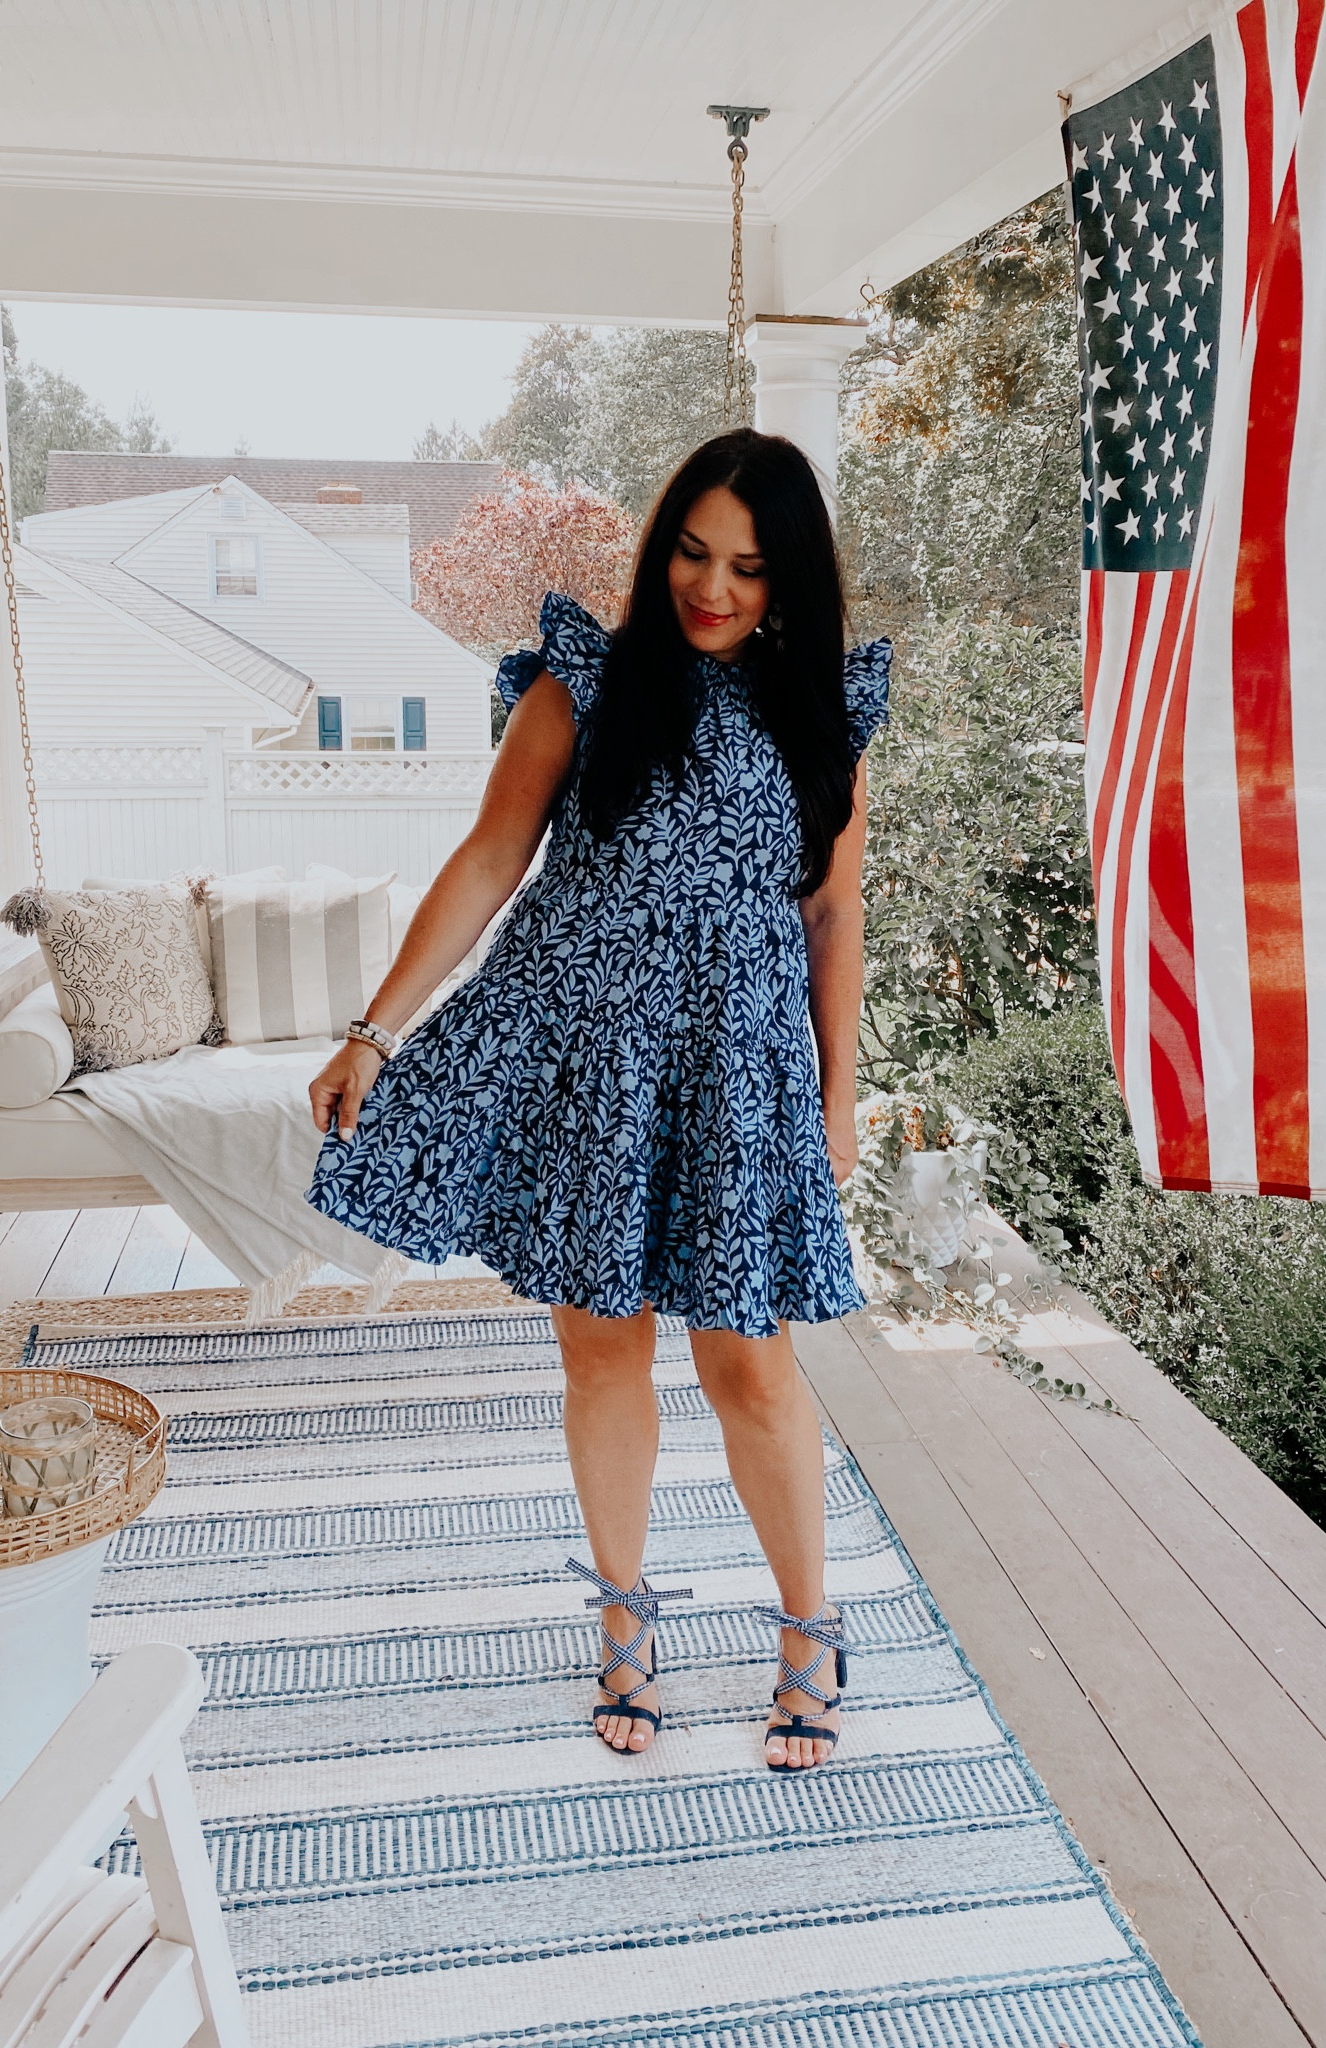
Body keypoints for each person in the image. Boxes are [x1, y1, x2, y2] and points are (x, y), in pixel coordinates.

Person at [307, 428, 889, 1771]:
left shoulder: (825, 714)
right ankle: (623, 1624)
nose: (715, 586)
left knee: (749, 1359)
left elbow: (834, 910)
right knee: (602, 1347)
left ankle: (811, 1626)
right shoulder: (586, 681)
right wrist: (374, 1031)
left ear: (788, 575)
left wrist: (839, 1098)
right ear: (661, 544)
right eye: (693, 550)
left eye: (749, 565)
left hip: (741, 1073)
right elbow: (491, 856)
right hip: (588, 1062)